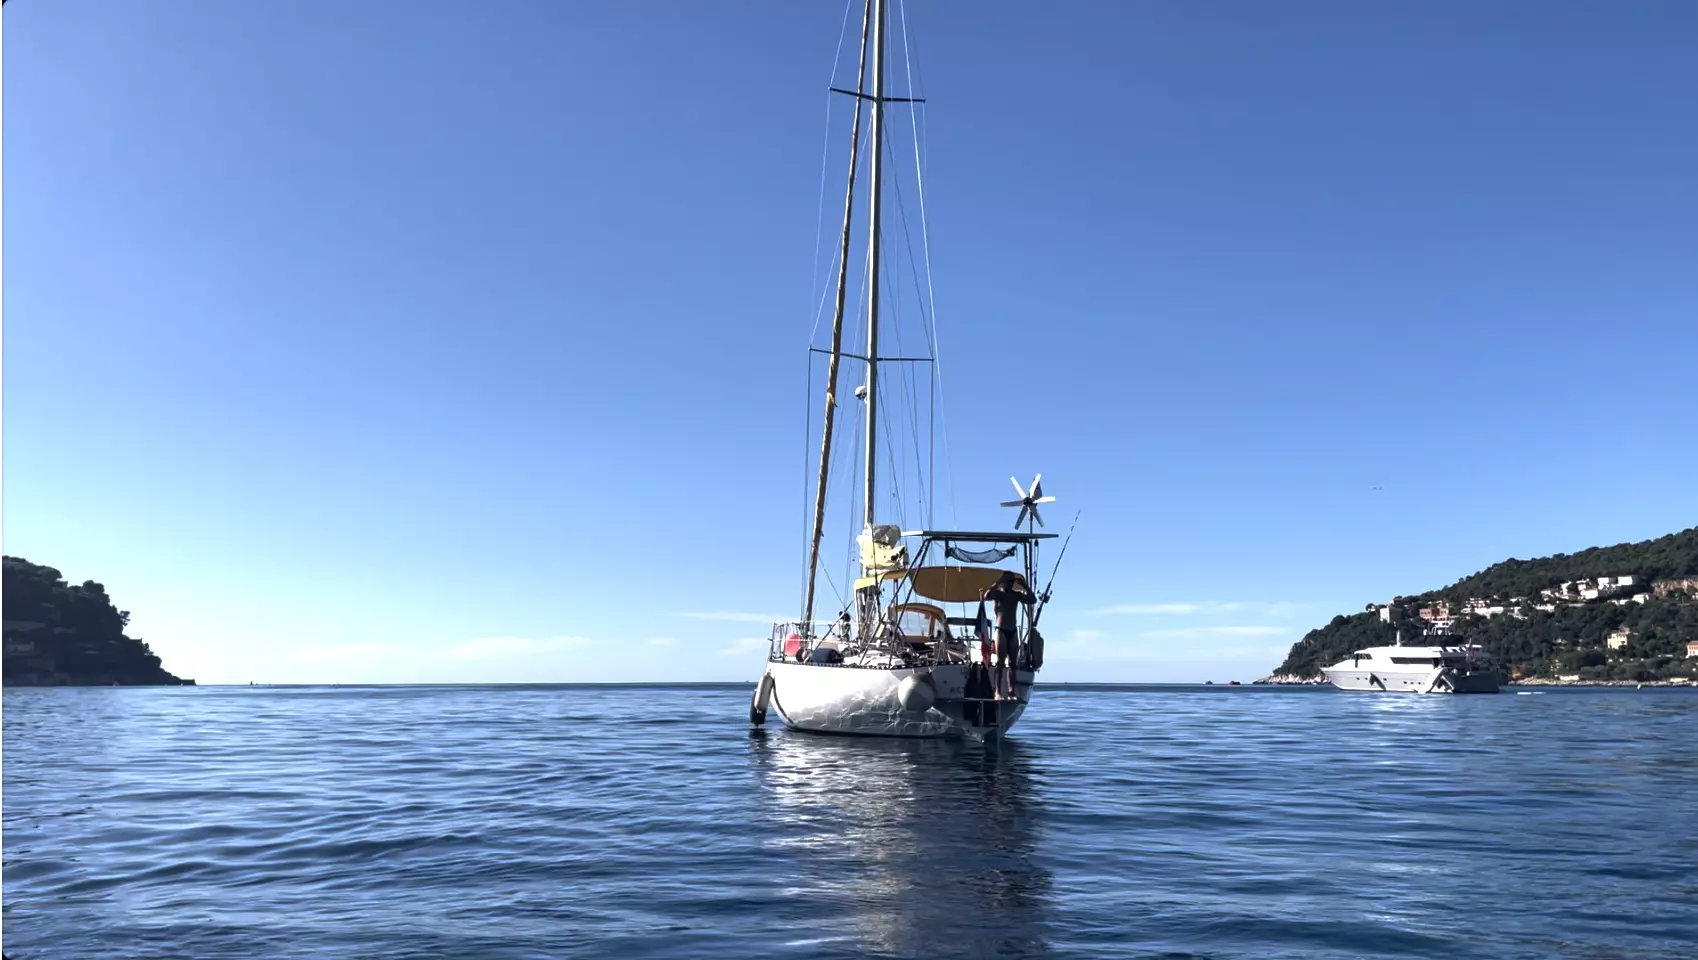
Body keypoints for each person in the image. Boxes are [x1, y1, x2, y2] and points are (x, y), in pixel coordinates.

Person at [981, 570, 1038, 699]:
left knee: (1013, 662)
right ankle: (997, 692)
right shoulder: (997, 594)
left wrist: (1025, 586)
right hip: (1000, 629)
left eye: (1011, 582)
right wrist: (997, 583)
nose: (1009, 584)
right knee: (1001, 662)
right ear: (1003, 582)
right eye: (1007, 582)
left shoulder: (1016, 595)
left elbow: (1032, 600)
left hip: (1012, 630)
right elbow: (986, 596)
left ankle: (1011, 691)